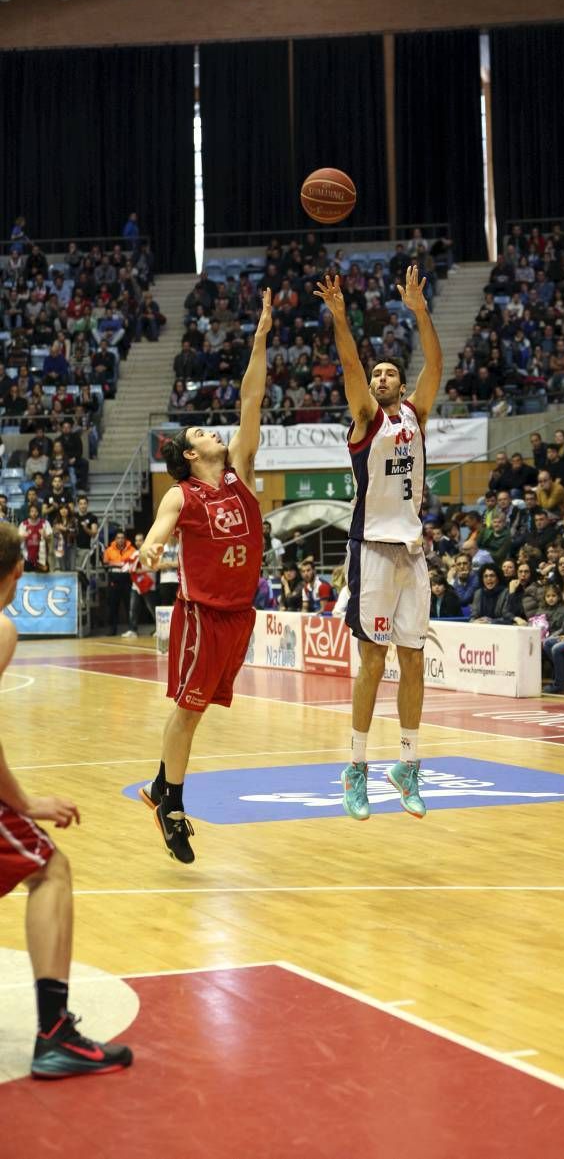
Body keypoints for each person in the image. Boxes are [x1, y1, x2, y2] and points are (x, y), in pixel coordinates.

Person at [136, 291, 272, 860]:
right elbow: (160, 528)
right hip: (201, 616)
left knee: (197, 715)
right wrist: (149, 548)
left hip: (239, 616)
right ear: (190, 455)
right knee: (187, 713)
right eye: (202, 436)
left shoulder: (240, 471)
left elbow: (252, 396)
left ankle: (159, 787)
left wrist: (260, 337)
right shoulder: (183, 495)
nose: (214, 434)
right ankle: (172, 809)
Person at [0, 522, 133, 1077]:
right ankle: (54, 1035)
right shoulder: (1, 628)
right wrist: (24, 802)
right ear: (17, 573)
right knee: (50, 867)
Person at [314, 266, 443, 822]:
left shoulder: (415, 414)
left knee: (413, 662)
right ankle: (357, 768)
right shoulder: (365, 419)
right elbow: (349, 365)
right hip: (371, 549)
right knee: (372, 660)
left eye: (392, 371)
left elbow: (435, 365)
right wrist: (341, 318)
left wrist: (420, 311)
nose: (385, 377)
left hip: (413, 551)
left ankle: (408, 766)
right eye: (379, 373)